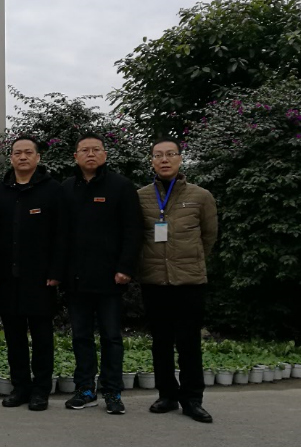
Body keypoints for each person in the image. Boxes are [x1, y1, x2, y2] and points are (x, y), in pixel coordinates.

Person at [138, 138, 217, 424]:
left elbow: (209, 236)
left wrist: (188, 260)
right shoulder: (141, 196)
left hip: (189, 281)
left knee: (189, 343)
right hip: (154, 280)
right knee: (161, 342)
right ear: (152, 161)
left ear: (180, 159)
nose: (164, 159)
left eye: (170, 154)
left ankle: (193, 399)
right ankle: (167, 395)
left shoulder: (200, 196)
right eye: (158, 155)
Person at [61, 133, 141, 415]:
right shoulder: (66, 188)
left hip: (110, 277)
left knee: (111, 337)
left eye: (96, 149)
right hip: (76, 278)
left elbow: (133, 230)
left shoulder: (121, 186)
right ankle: (85, 389)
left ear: (105, 155)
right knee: (81, 337)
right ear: (76, 156)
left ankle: (112, 391)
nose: (91, 154)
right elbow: (60, 234)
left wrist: (125, 267)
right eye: (85, 150)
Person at [0, 135, 66, 412]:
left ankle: (41, 390)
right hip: (8, 278)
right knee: (14, 338)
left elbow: (61, 234)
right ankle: (20, 387)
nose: (22, 157)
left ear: (37, 157)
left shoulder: (53, 190)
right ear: (11, 158)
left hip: (41, 278)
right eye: (17, 153)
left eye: (28, 152)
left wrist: (56, 270)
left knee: (42, 338)